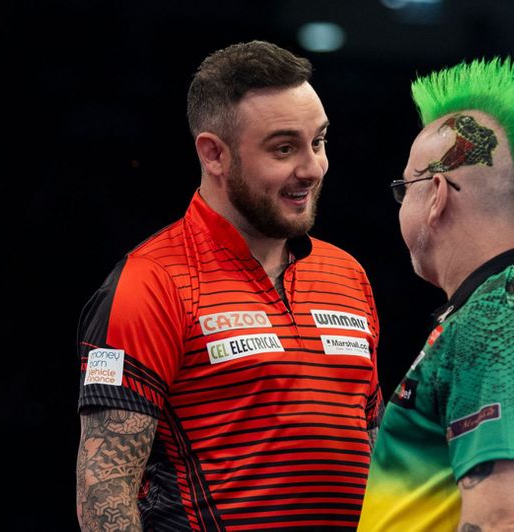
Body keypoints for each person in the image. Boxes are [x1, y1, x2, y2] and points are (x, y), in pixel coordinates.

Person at [76, 40, 381, 531]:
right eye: (284, 148)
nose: (313, 168)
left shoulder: (348, 275)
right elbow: (104, 501)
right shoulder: (150, 283)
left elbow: (378, 457)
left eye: (319, 142)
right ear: (213, 154)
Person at [358, 58, 514, 531]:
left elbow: (502, 521)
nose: (401, 204)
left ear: (436, 193)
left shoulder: (498, 320)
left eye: (405, 189)